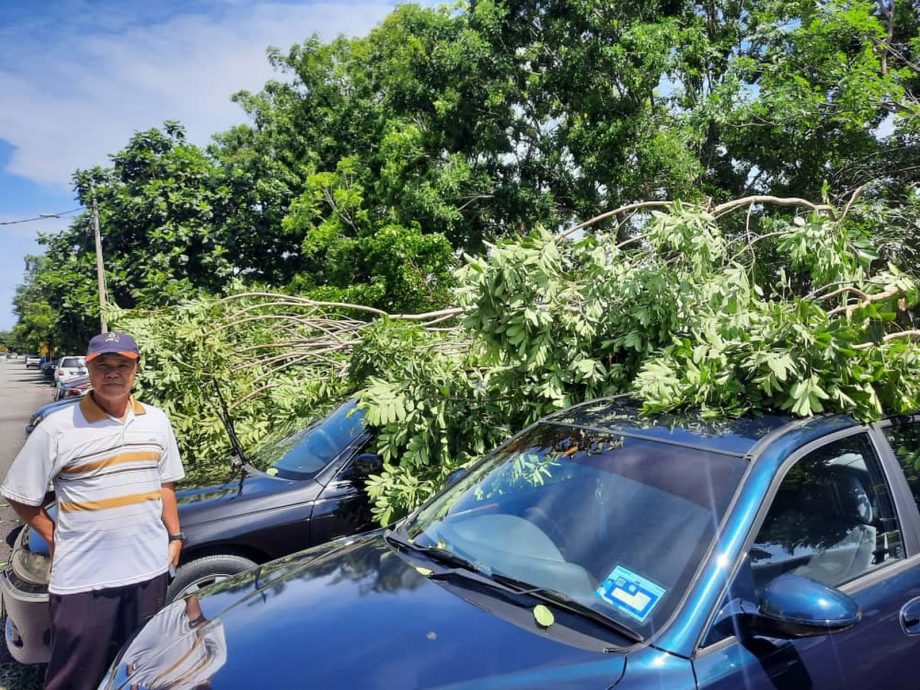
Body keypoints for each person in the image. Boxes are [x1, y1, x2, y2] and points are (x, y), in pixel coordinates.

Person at [1, 332, 186, 690]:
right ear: (90, 368)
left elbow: (166, 484)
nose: (113, 372)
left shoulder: (157, 421)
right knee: (74, 675)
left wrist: (175, 536)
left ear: (136, 369)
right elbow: (20, 494)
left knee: (146, 668)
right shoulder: (58, 428)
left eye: (122, 365)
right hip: (83, 578)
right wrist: (53, 535)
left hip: (147, 572)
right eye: (103, 365)